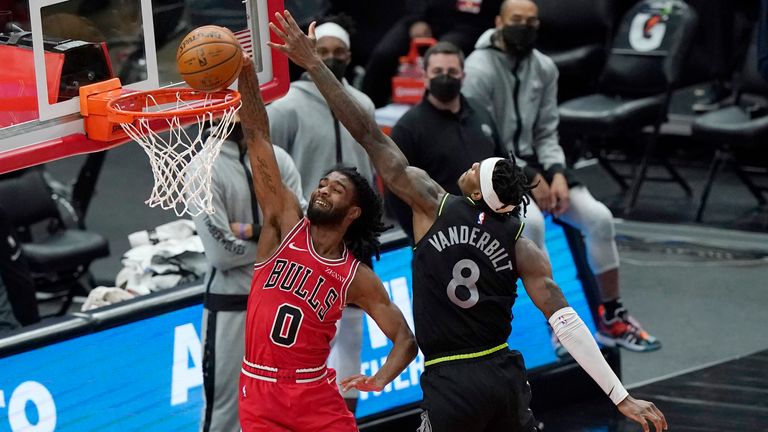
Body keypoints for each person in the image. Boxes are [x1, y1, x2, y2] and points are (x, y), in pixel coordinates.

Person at [267, 10, 668, 432]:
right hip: (502, 375)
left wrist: (313, 65)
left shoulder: (433, 205)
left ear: (478, 193)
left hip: (450, 380)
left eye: (479, 168)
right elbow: (566, 322)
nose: (472, 163)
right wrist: (621, 396)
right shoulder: (520, 244)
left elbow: (367, 132)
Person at [461, 0, 661, 352]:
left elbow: (547, 132)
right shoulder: (478, 69)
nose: (523, 27)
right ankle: (559, 326)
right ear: (498, 22)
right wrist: (531, 177)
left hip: (537, 165)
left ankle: (612, 318)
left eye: (531, 22)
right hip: (496, 169)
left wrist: (555, 172)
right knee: (533, 226)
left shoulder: (545, 68)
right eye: (516, 20)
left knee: (600, 218)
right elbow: (482, 141)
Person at [236, 55, 417, 431]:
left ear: (352, 213)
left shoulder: (356, 277)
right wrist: (245, 76)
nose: (323, 190)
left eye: (337, 190)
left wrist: (381, 377)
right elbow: (257, 136)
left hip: (315, 393)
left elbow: (404, 339)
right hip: (260, 390)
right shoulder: (283, 223)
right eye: (323, 183)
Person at [266, 14, 373, 411]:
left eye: (337, 53)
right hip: (309, 236)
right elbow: (267, 168)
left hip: (357, 232)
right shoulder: (286, 106)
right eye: (322, 52)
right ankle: (305, 408)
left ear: (349, 56)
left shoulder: (361, 104)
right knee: (312, 326)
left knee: (354, 324)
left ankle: (348, 408)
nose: (330, 58)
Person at [191, 123, 305, 432]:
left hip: (281, 306)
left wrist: (249, 231)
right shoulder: (203, 168)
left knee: (280, 409)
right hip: (231, 306)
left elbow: (303, 234)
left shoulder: (278, 160)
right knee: (225, 414)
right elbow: (221, 254)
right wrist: (278, 238)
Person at [387, 41, 505, 239]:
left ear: (463, 76)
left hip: (493, 227)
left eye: (452, 71)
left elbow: (502, 163)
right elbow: (397, 194)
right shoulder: (407, 128)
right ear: (424, 77)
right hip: (443, 237)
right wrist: (423, 238)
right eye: (438, 71)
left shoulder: (481, 113)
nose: (445, 77)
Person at [360, 0, 505, 107]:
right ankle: (367, 112)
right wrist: (417, 19)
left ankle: (435, 117)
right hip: (425, 18)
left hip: (466, 24)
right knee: (384, 54)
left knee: (443, 55)